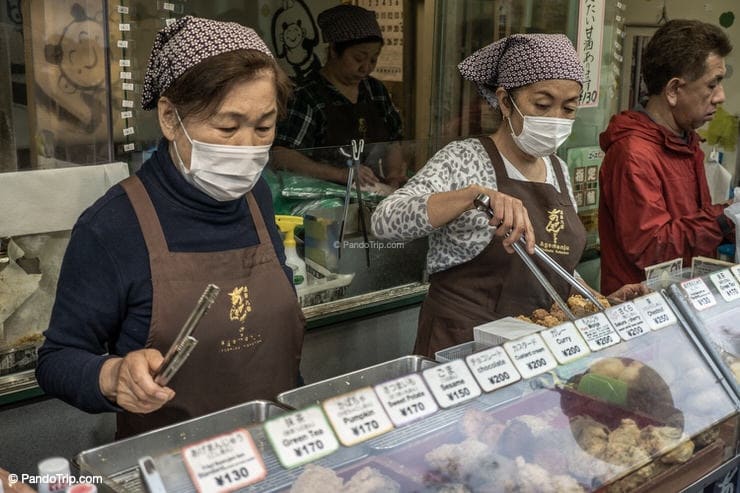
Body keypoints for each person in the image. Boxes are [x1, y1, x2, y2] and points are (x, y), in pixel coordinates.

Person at [36, 17, 305, 439]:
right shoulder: (112, 226)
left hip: (278, 450)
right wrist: (111, 375)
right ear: (169, 118)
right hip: (170, 466)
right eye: (227, 127)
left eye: (264, 127)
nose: (248, 147)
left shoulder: (258, 199)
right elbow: (57, 359)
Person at [372, 34, 645, 357]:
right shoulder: (465, 158)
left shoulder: (557, 169)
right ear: (504, 101)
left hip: (533, 350)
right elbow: (384, 222)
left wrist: (599, 301)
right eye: (542, 105)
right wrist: (473, 196)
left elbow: (552, 266)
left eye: (569, 108)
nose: (556, 118)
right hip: (462, 346)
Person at [599, 20, 734, 294]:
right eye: (712, 84)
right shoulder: (634, 153)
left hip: (681, 300)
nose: (720, 97)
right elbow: (652, 247)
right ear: (673, 90)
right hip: (642, 311)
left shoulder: (684, 139)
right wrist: (724, 218)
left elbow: (689, 230)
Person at [271, 4, 406, 188]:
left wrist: (393, 178)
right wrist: (342, 175)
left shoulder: (375, 90)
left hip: (373, 194)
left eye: (373, 59)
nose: (366, 67)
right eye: (359, 58)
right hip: (323, 201)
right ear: (334, 50)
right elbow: (282, 155)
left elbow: (393, 141)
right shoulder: (307, 95)